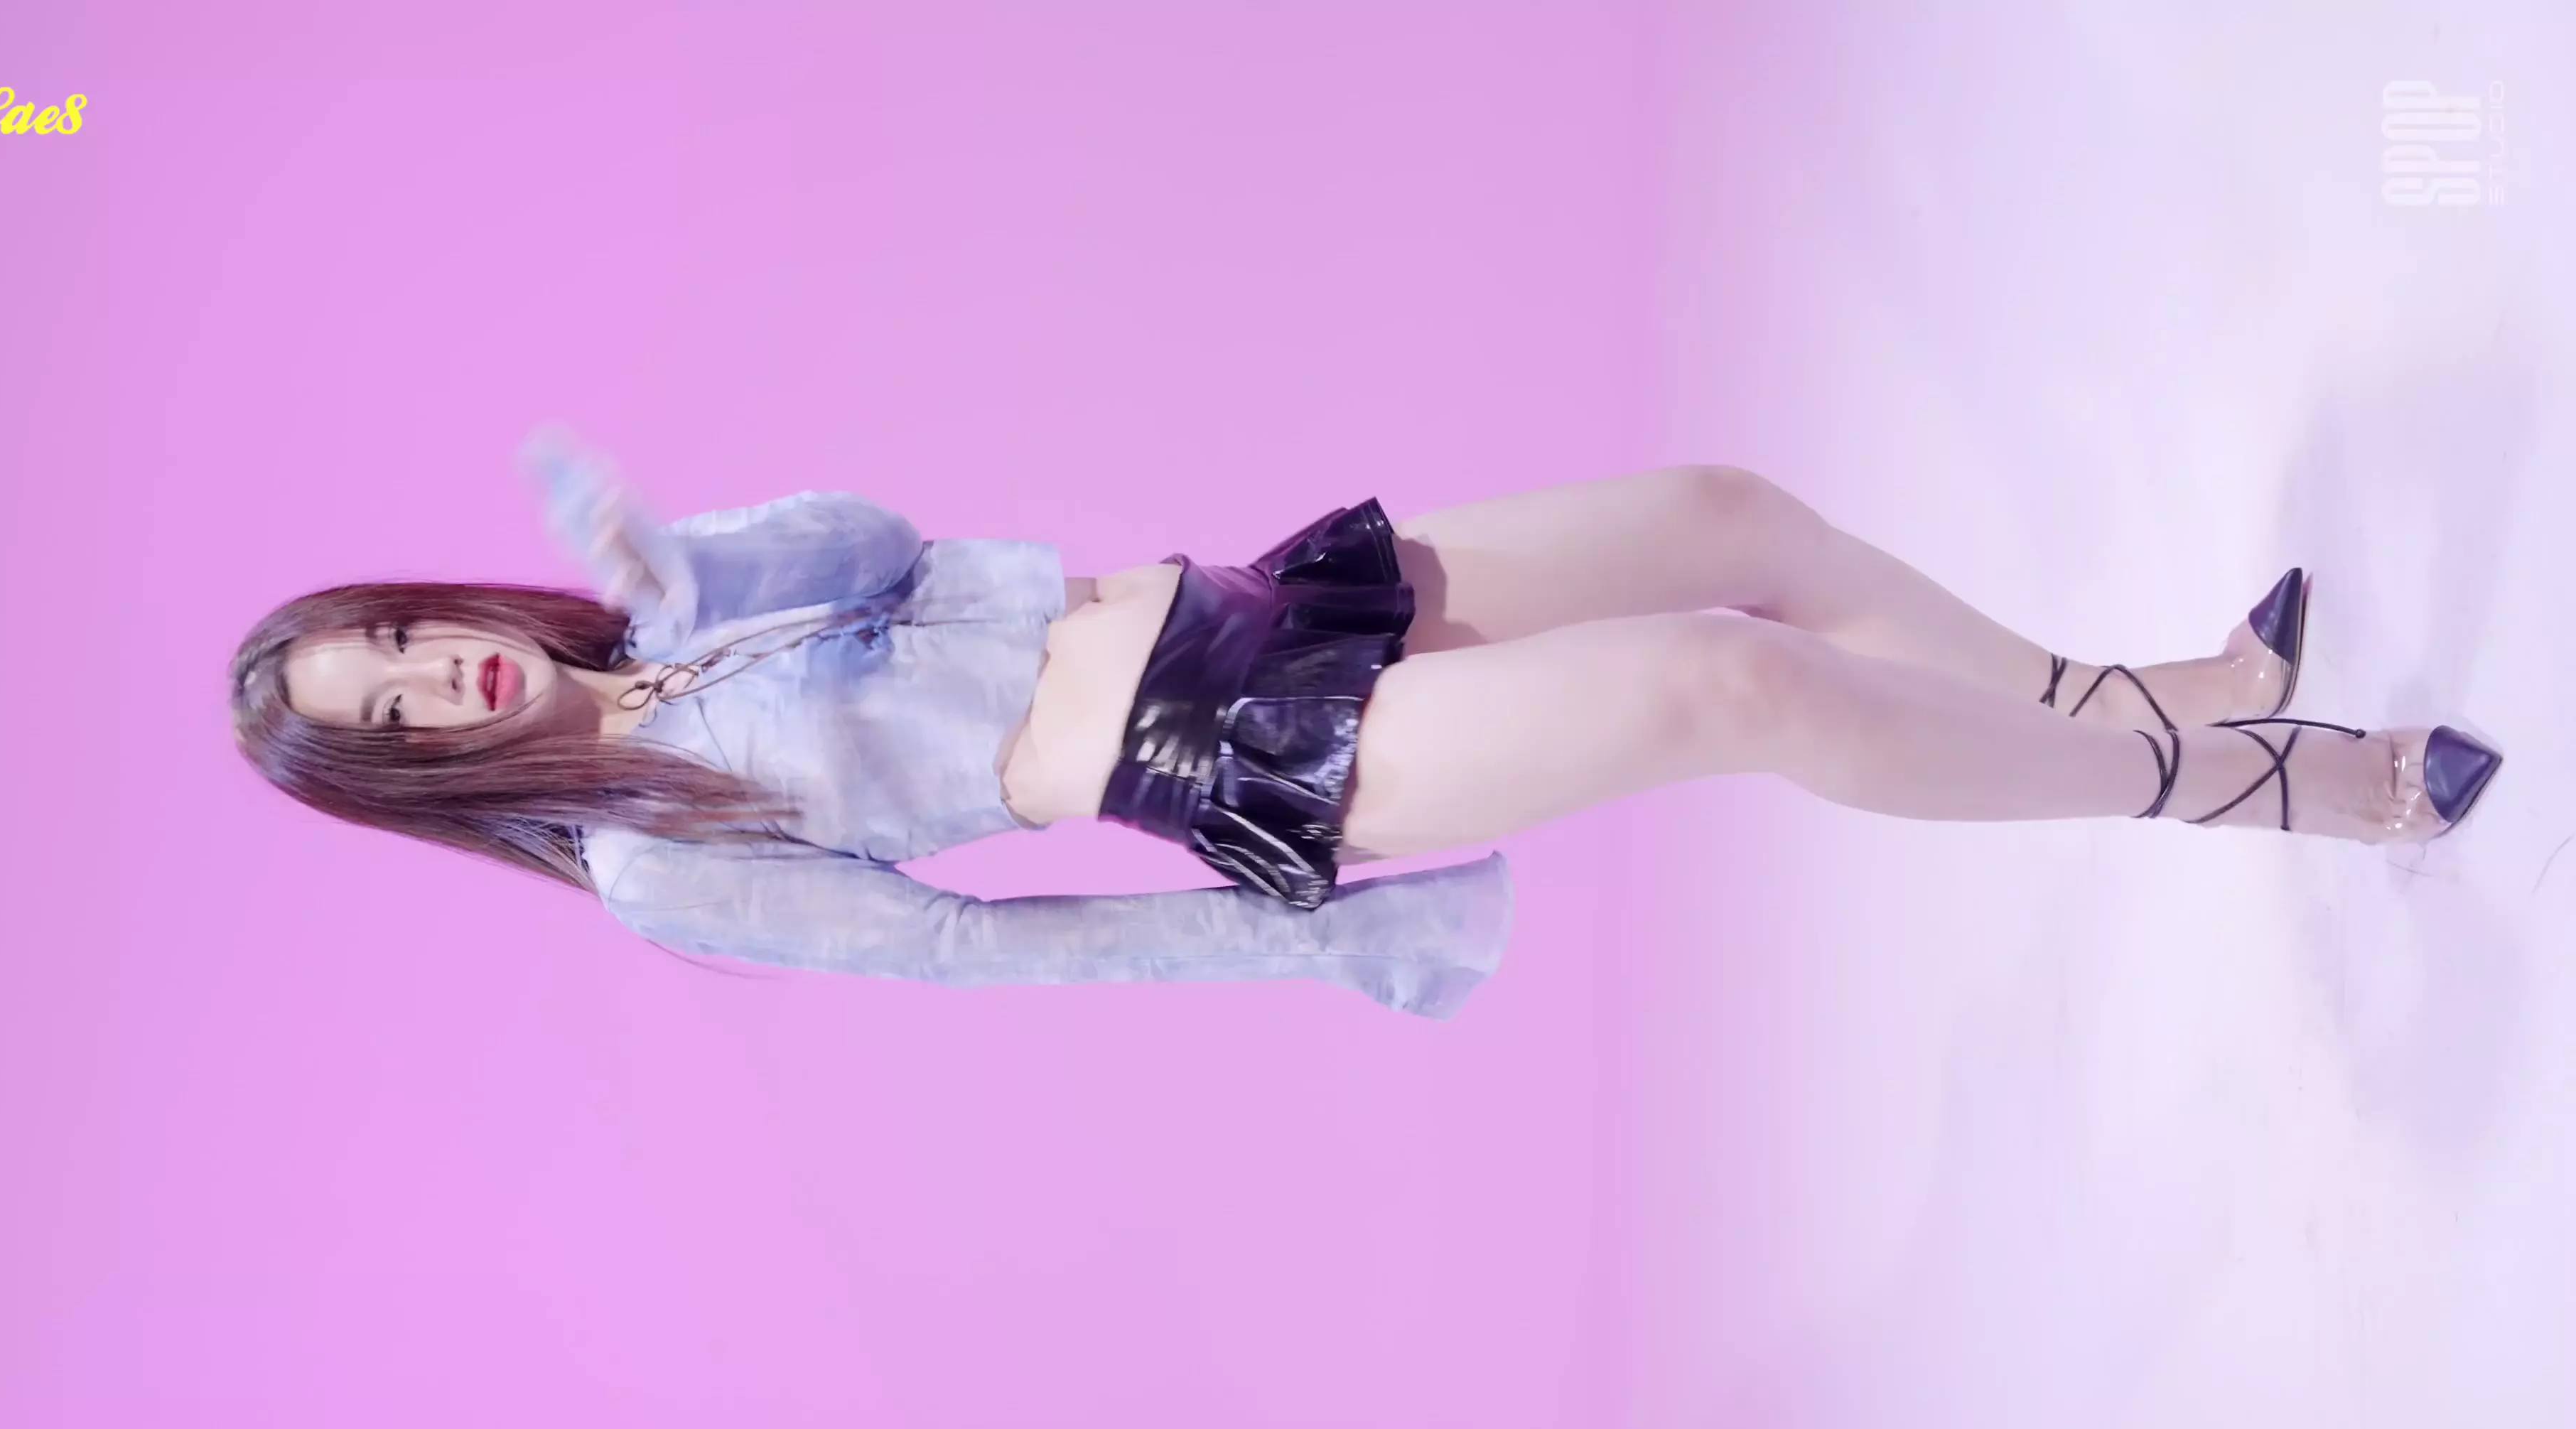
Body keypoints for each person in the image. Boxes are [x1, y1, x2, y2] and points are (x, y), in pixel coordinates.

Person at [227, 428, 2504, 1019]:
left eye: (402, 637)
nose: (440, 677)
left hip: (1242, 606)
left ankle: (2144, 700)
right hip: (1233, 760)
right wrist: (1301, 940)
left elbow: (892, 544)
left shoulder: (678, 606)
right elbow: (963, 949)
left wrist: (689, 563)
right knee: (1742, 684)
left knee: (1725, 518)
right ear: (418, 777)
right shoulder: (651, 862)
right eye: (396, 715)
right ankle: (2252, 784)